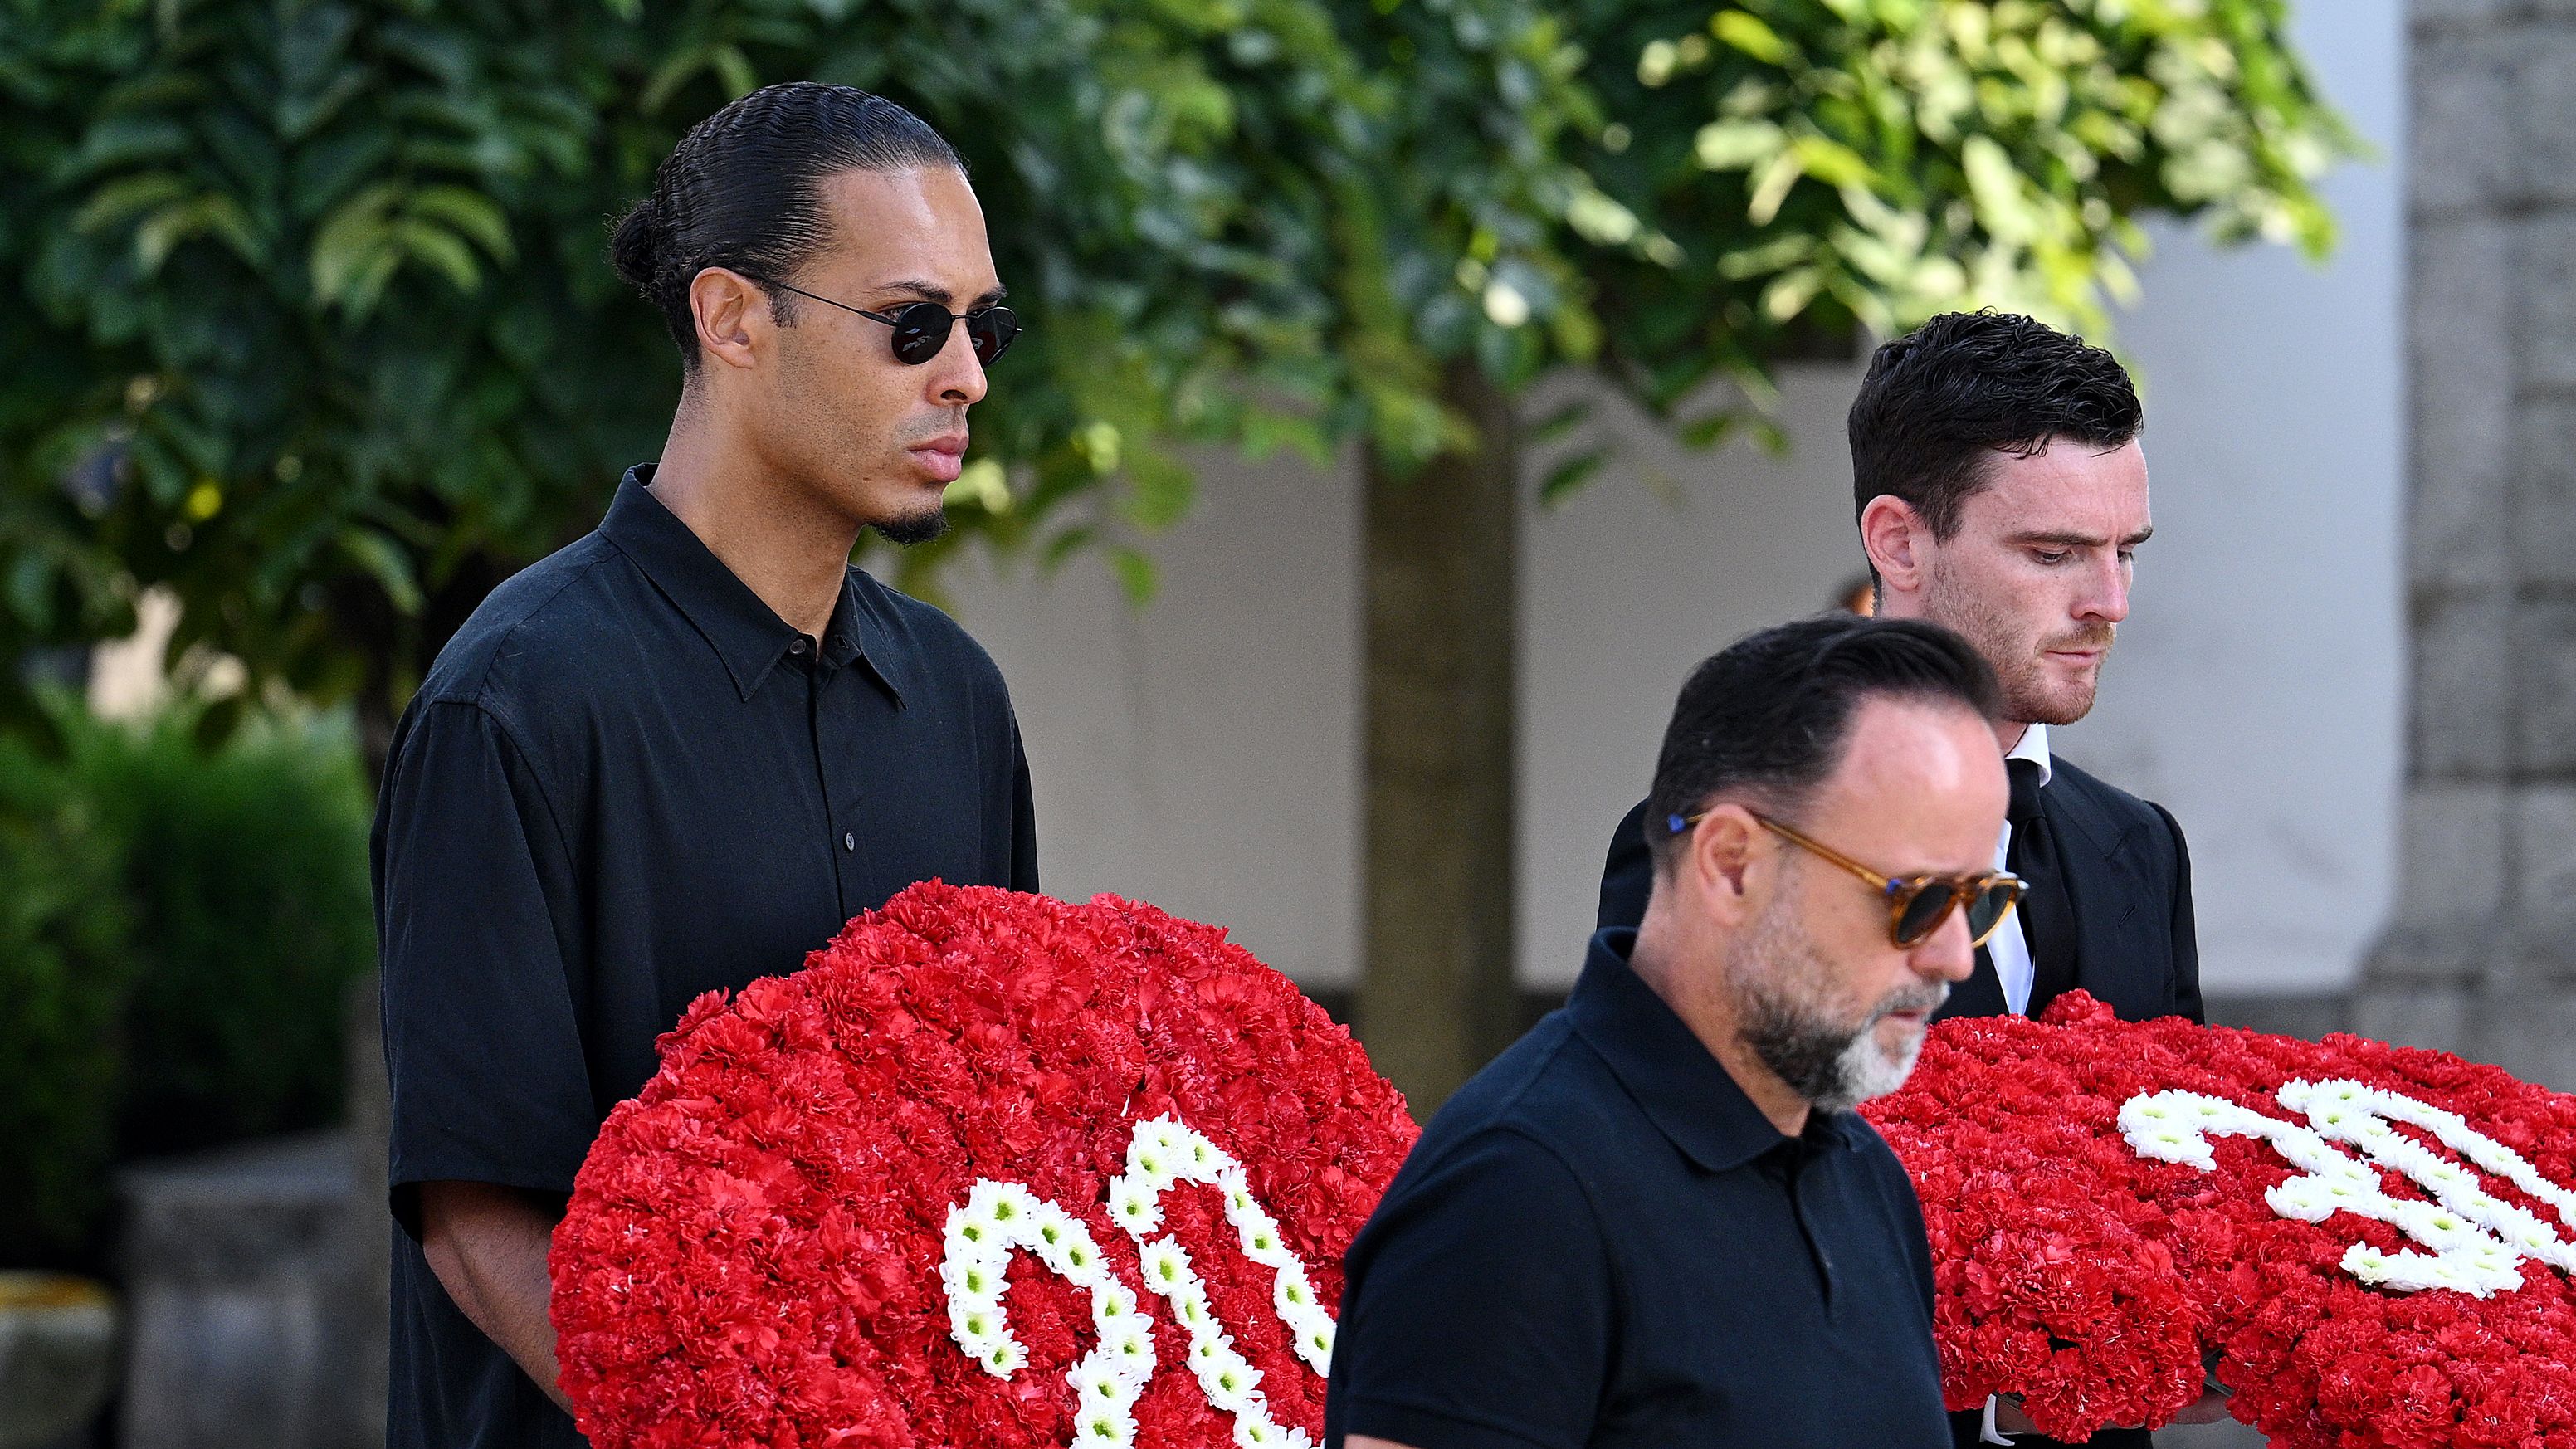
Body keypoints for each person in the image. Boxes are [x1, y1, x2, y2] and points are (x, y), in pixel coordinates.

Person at [371, 83, 1037, 1449]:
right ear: (732, 317)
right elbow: (475, 1218)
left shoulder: (959, 700)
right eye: (914, 324)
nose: (967, 375)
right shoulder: (516, 701)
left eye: (988, 327)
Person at [1593, 311, 2210, 1447]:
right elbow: (1675, 1223)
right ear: (1899, 542)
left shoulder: (2140, 847)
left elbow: (2183, 1192)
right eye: (2053, 553)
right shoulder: (1725, 847)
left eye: (2126, 552)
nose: (2109, 602)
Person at [1326, 616, 2016, 1449]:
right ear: (1731, 864)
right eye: (1919, 898)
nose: (1954, 956)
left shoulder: (1864, 1176)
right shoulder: (1519, 1190)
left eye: (1979, 900)